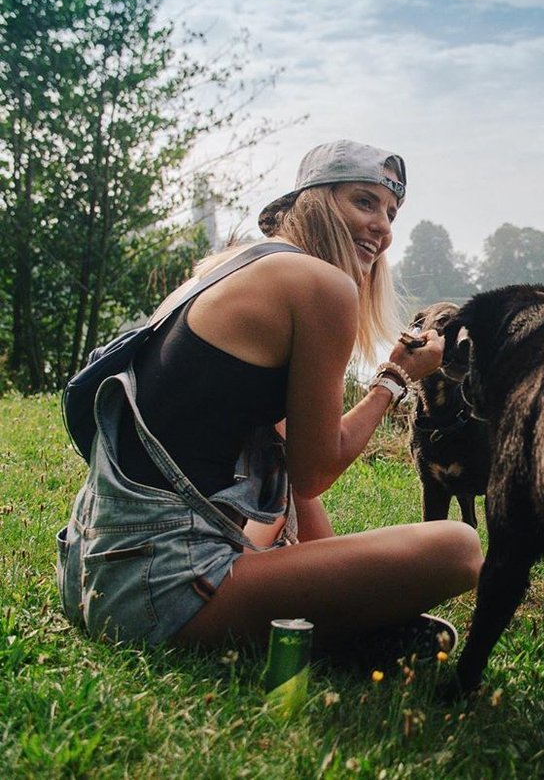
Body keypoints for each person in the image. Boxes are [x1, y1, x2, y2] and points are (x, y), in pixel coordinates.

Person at [56, 139, 483, 661]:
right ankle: (334, 636)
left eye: (391, 213)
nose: (383, 228)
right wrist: (394, 378)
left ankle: (334, 623)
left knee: (288, 512)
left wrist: (329, 568)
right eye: (364, 202)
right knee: (458, 547)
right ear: (317, 201)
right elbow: (316, 472)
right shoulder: (321, 285)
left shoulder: (229, 266)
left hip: (93, 570)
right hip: (161, 588)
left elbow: (292, 464)